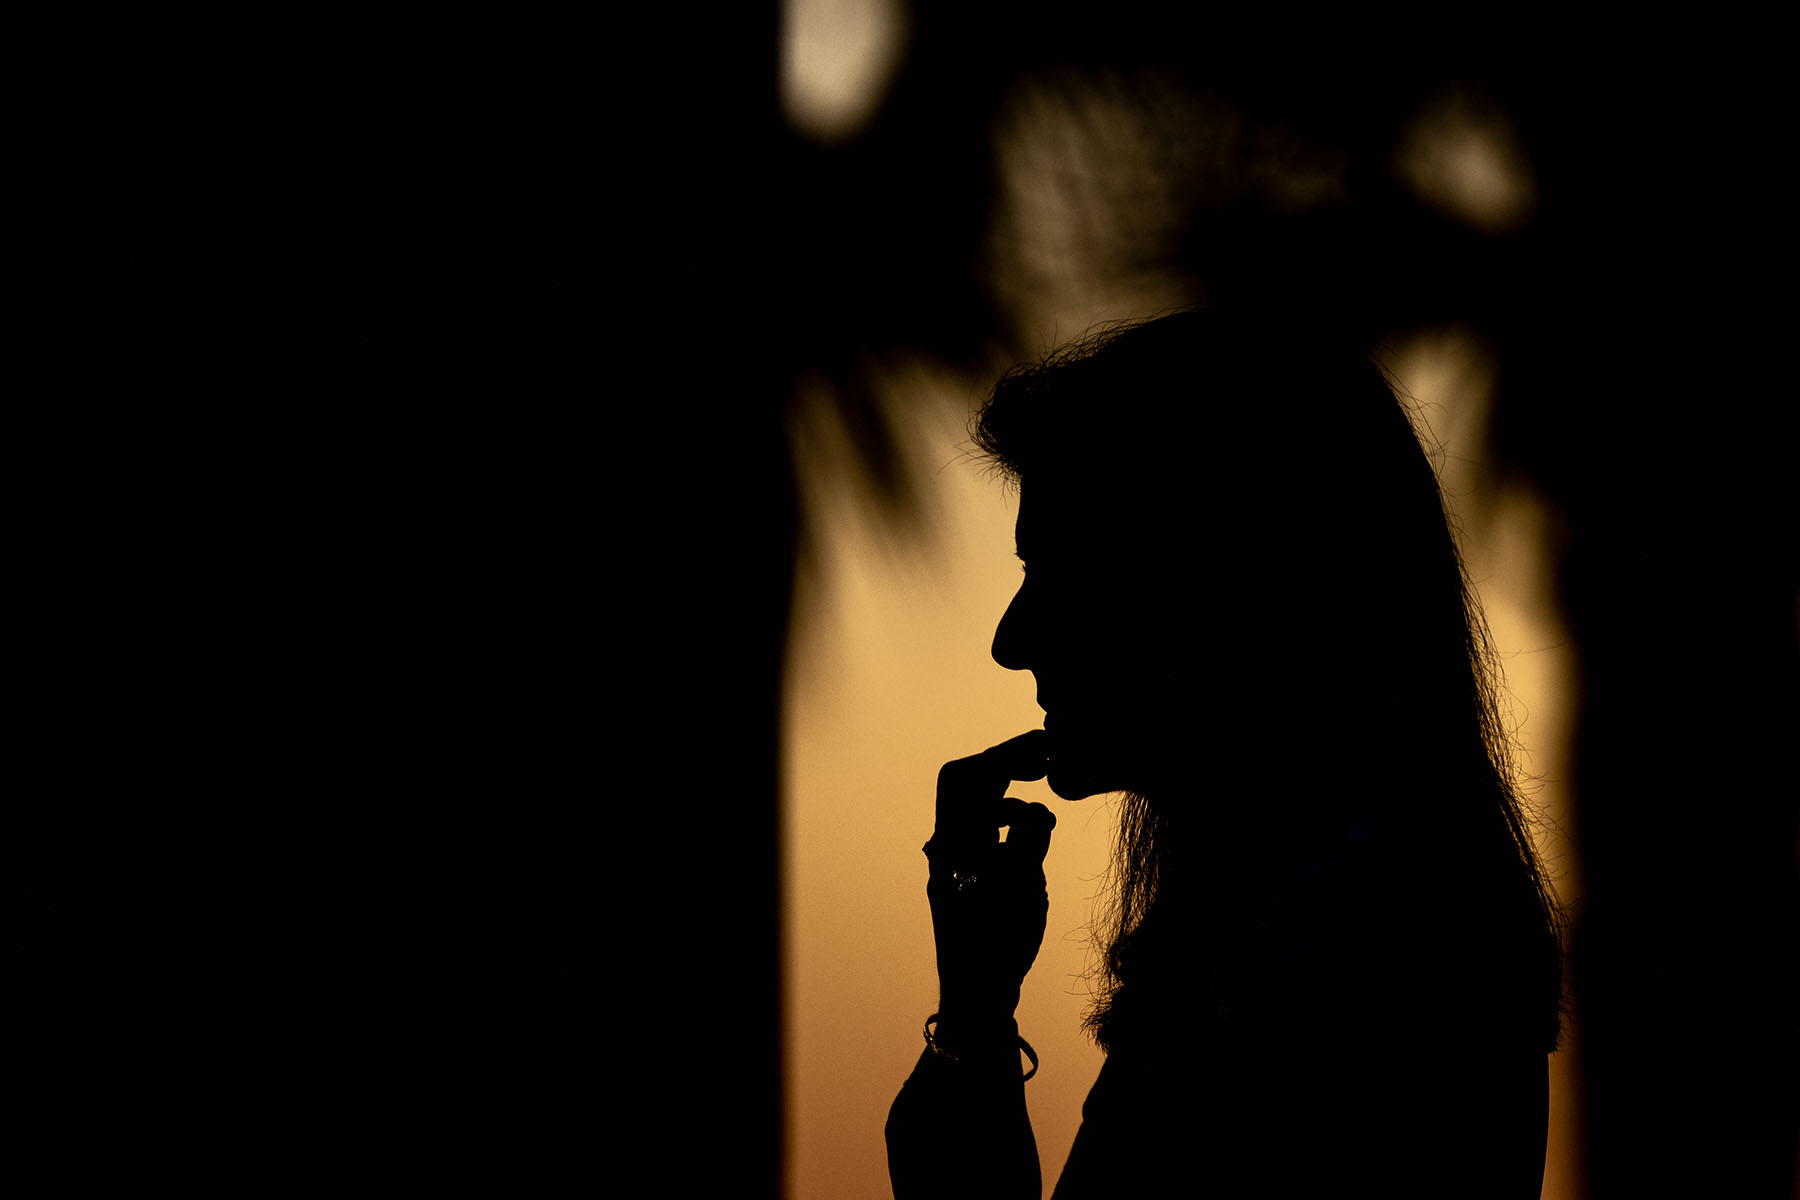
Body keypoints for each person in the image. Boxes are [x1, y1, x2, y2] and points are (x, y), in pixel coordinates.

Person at [886, 308, 1565, 1198]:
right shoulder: (1319, 926)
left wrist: (976, 1023)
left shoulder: (1355, 962)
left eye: (1060, 572)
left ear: (1212, 583)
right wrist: (976, 1004)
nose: (1012, 641)